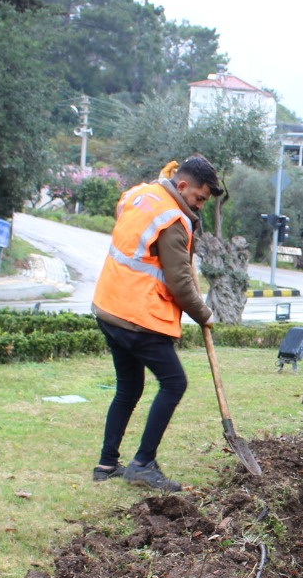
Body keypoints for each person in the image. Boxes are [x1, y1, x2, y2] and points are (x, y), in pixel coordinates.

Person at [89, 155, 224, 492]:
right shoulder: (173, 220)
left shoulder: (141, 195)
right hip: (138, 317)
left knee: (129, 387)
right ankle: (142, 463)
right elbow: (180, 284)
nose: (200, 207)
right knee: (174, 382)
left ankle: (106, 464)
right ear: (182, 186)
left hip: (109, 307)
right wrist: (205, 315)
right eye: (199, 199)